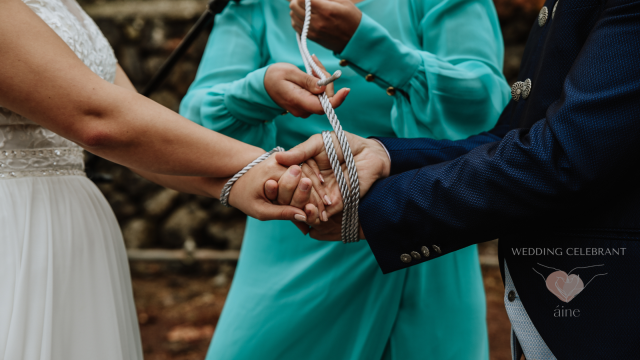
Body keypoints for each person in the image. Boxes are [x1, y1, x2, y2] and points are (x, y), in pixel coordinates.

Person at [281, 0, 640, 358]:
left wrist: (378, 209)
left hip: (606, 314)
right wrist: (386, 156)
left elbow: (563, 155)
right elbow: (519, 135)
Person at [0, 0, 334, 358]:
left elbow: (138, 142)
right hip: (16, 231)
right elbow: (98, 120)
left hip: (75, 235)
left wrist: (234, 182)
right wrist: (266, 163)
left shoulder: (63, 4)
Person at [179, 0, 509, 358]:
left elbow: (485, 108)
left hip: (417, 234)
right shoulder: (254, 6)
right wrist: (260, 91)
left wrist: (366, 44)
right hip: (295, 241)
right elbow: (194, 132)